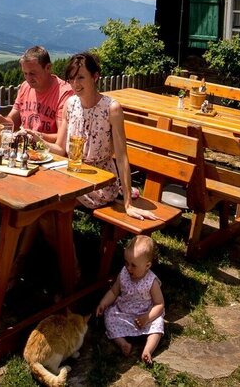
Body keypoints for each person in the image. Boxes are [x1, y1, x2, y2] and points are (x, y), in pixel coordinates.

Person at [54, 51, 157, 220]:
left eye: (80, 77)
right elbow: (59, 149)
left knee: (53, 207)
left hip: (99, 183)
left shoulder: (111, 108)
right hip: (73, 175)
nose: (74, 84)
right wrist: (36, 140)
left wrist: (128, 204)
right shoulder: (70, 104)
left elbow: (122, 157)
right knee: (41, 203)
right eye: (71, 78)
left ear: (95, 77)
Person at [96, 235, 166, 365]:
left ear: (147, 265)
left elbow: (159, 304)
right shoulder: (124, 273)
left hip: (145, 316)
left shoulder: (151, 281)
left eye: (133, 265)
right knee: (110, 317)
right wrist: (104, 302)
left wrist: (147, 317)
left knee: (158, 323)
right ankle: (123, 343)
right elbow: (114, 291)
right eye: (126, 263)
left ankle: (148, 350)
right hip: (124, 312)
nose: (128, 268)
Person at [0, 46, 73, 144]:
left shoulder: (64, 93)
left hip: (50, 154)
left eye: (32, 73)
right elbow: (13, 123)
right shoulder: (25, 87)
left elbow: (63, 137)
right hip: (25, 151)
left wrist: (36, 136)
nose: (28, 78)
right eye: (25, 73)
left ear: (48, 68)